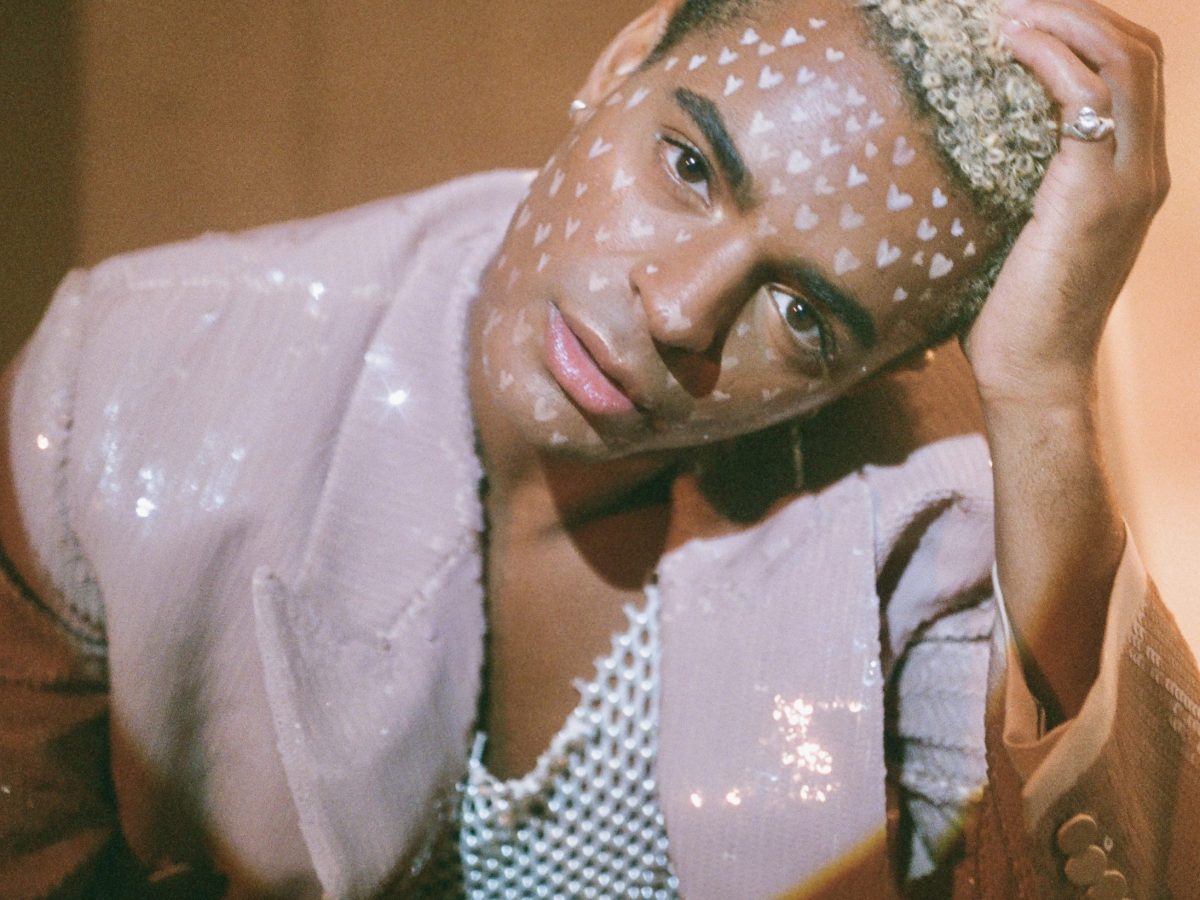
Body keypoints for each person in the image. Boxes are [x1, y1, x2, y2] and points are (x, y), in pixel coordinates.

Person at [1, 0, 1196, 896]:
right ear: (621, 65)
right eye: (690, 166)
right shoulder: (120, 384)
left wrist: (1043, 393)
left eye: (803, 313)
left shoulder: (936, 523)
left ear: (882, 370)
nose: (677, 308)